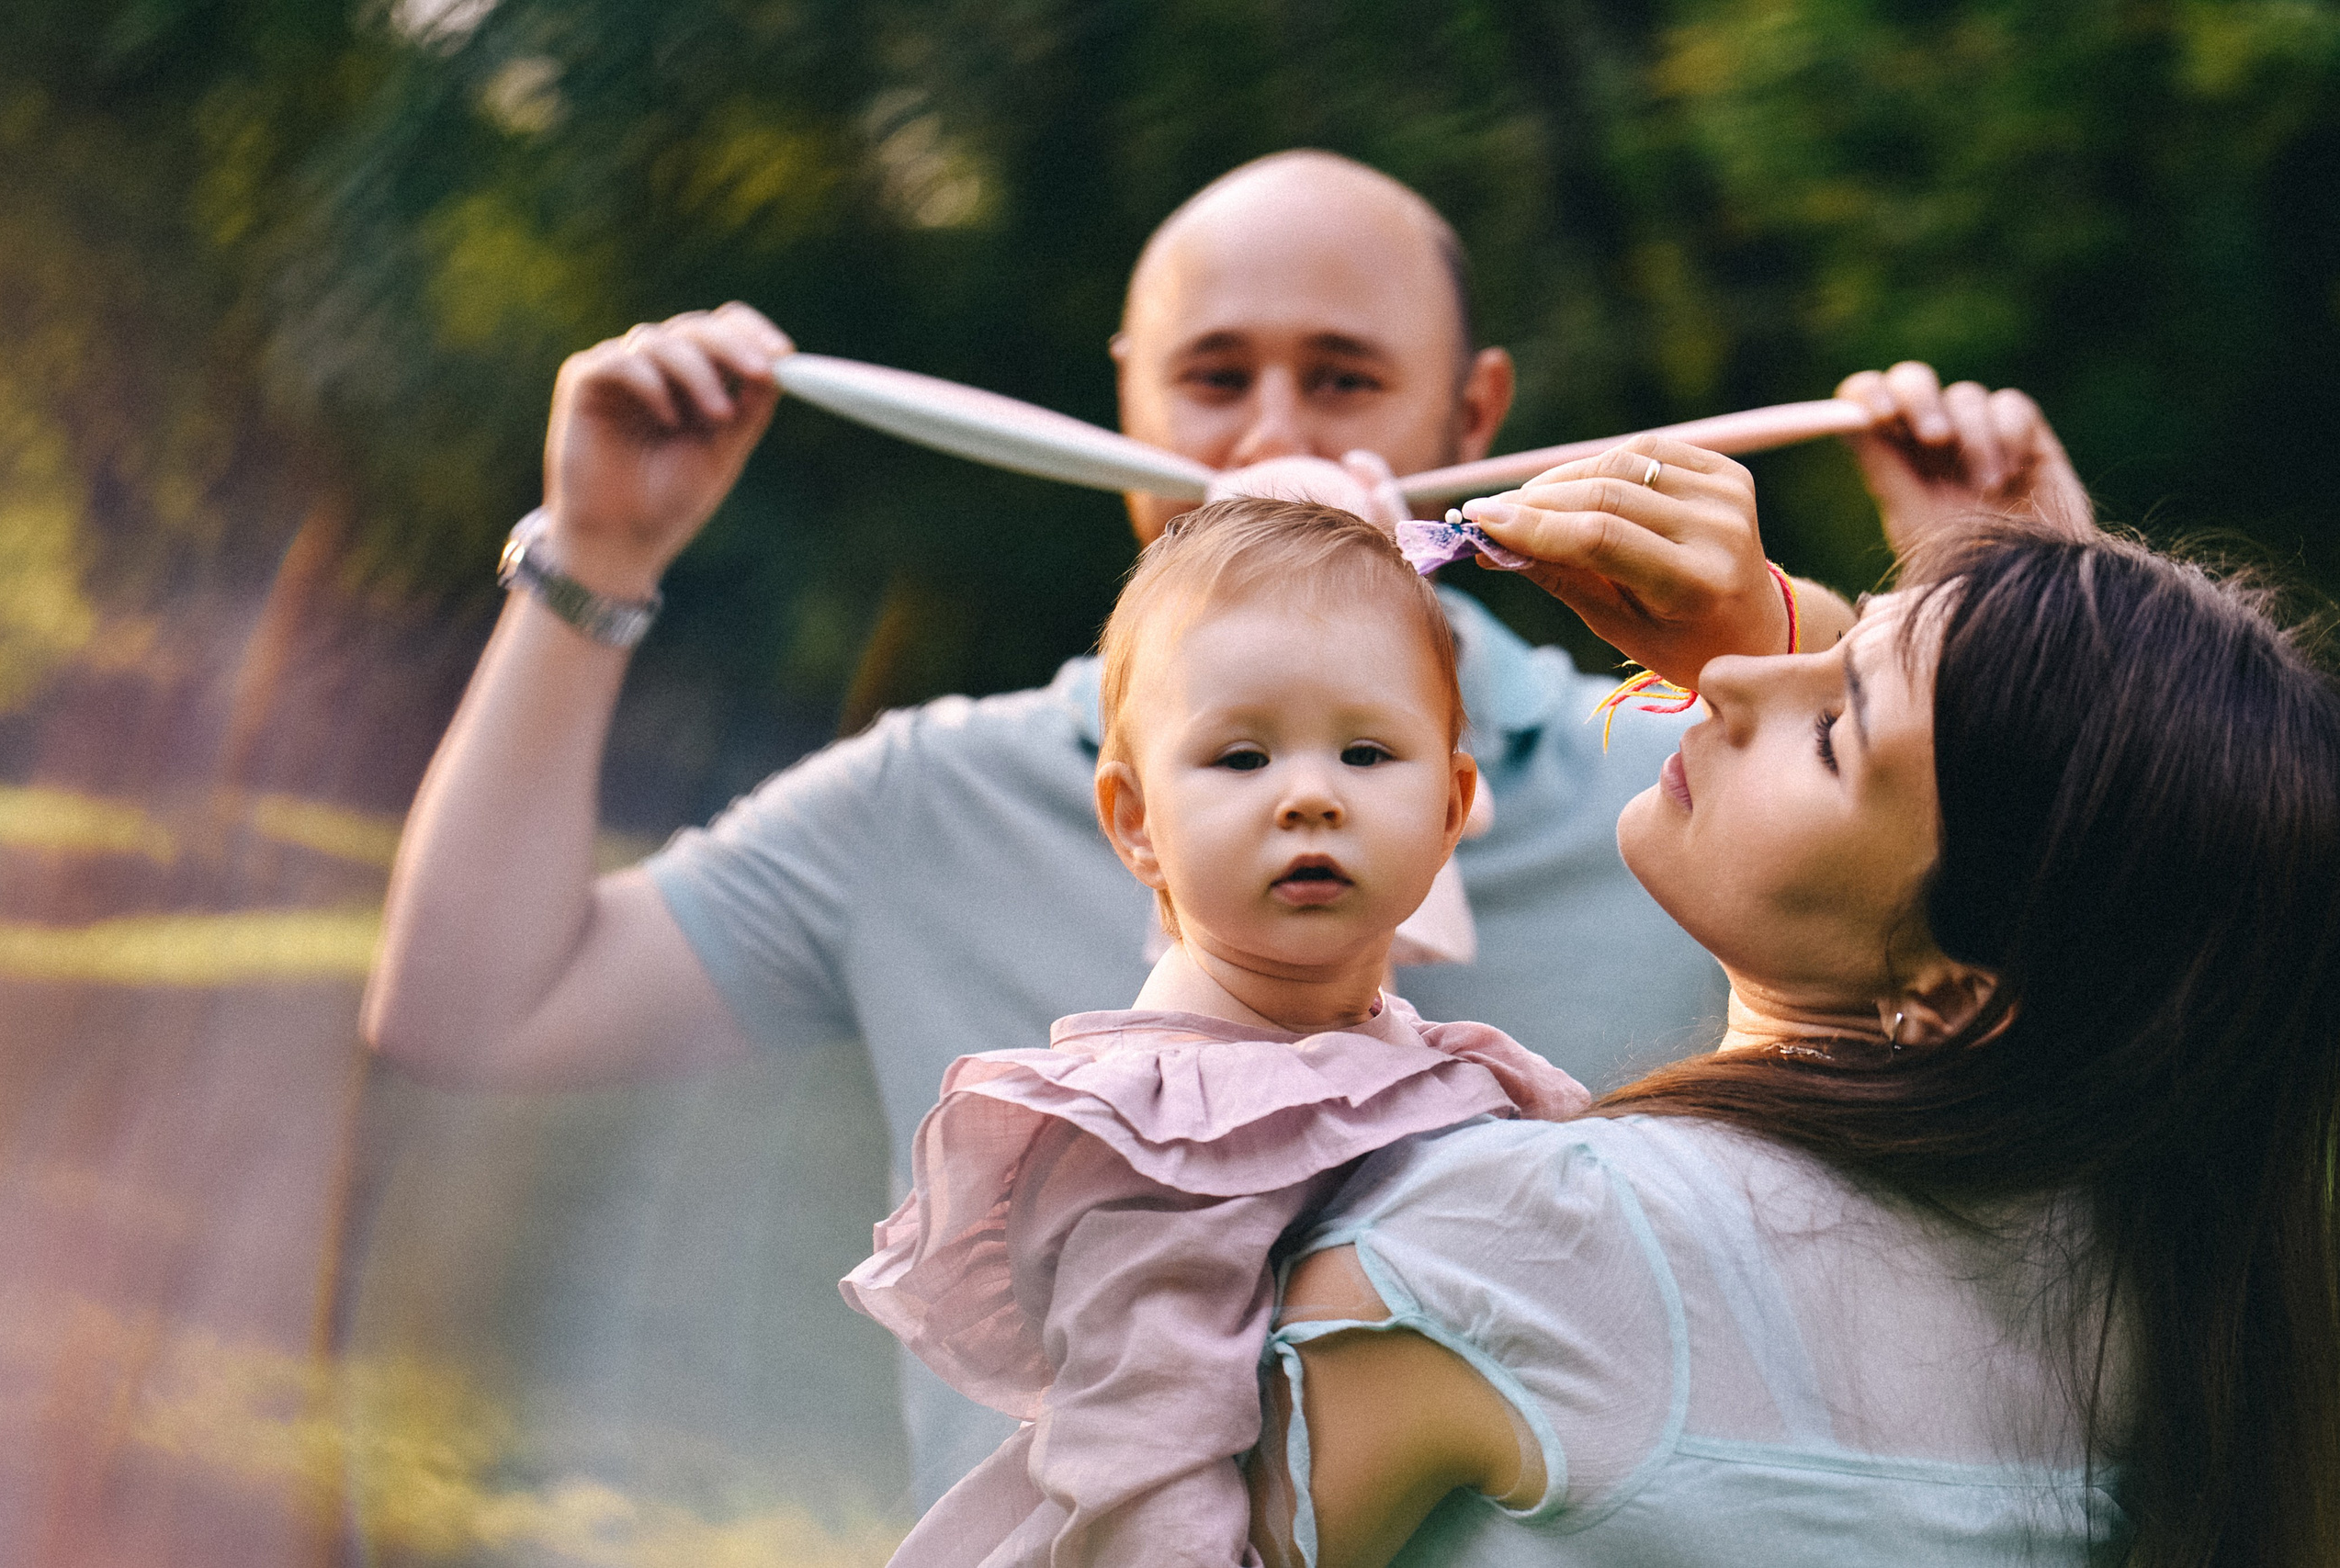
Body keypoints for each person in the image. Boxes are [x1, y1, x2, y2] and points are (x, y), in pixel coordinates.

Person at [359, 146, 2077, 1504]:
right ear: (1121, 396)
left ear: (1471, 419)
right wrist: (592, 562)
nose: (1268, 443)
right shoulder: (936, 792)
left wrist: (2020, 626)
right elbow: (468, 1006)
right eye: (1211, 378)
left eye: (1341, 380)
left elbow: (2053, 1045)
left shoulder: (1690, 796)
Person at [1245, 511, 2340, 1566]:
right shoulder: (2190, 1322)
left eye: (1830, 728)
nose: (1724, 677)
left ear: (1957, 992)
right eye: (1836, 639)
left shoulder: (1539, 1240)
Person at [844, 497, 1591, 1567]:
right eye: (1241, 759)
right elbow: (1144, 1454)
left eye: (1368, 753)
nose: (1309, 797)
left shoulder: (1417, 1066)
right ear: (1136, 822)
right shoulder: (1167, 1132)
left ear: (1448, 810)